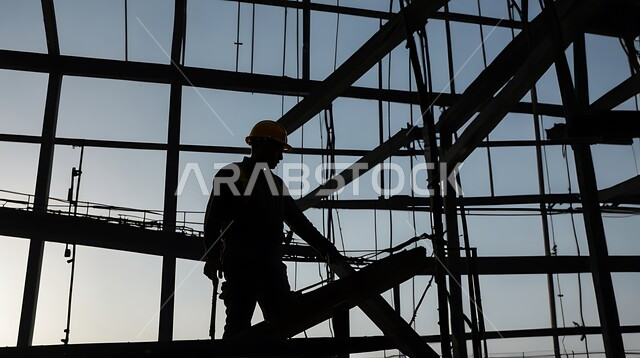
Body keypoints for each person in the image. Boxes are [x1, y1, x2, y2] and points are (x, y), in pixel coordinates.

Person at [203, 120, 340, 338]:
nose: (281, 157)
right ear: (262, 145)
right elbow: (213, 218)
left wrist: (325, 247)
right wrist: (211, 257)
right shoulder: (232, 174)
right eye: (278, 149)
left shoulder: (276, 184)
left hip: (270, 266)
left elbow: (298, 222)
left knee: (281, 324)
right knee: (238, 329)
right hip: (242, 265)